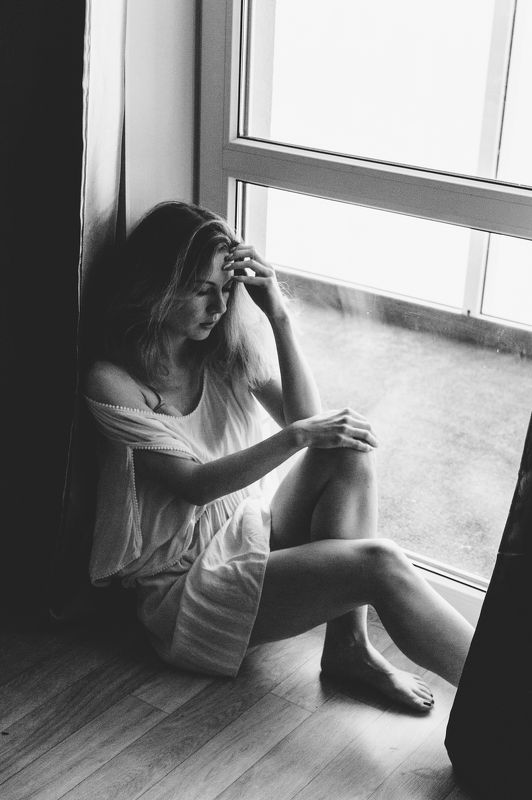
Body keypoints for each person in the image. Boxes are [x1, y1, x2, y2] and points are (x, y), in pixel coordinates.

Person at [84, 200, 473, 713]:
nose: (219, 307)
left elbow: (308, 421)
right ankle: (508, 699)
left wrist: (279, 316)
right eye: (201, 291)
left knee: (348, 448)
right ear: (156, 287)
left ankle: (349, 647)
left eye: (227, 289)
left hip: (244, 537)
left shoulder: (220, 350)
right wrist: (297, 436)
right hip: (187, 591)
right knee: (379, 563)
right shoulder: (113, 380)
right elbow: (195, 485)